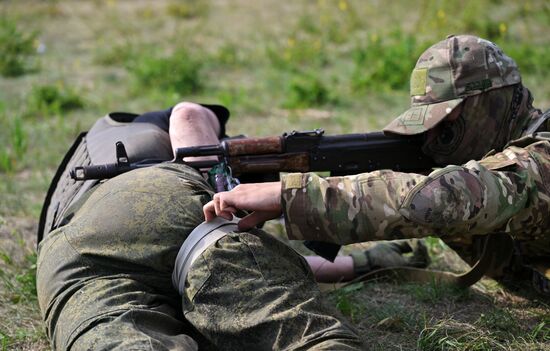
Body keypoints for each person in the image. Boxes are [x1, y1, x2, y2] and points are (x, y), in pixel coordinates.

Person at [204, 34, 550, 294]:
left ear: (491, 103)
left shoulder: (542, 158)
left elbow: (447, 199)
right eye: (425, 128)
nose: (432, 142)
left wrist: (293, 197)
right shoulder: (488, 151)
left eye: (445, 126)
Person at [36, 103, 365, 350]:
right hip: (163, 201)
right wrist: (223, 194)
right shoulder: (148, 125)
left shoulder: (106, 141)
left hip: (74, 260)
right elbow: (188, 115)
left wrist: (361, 264)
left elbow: (179, 252)